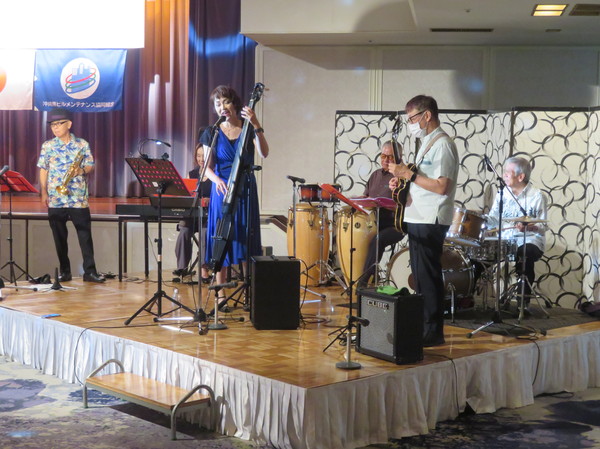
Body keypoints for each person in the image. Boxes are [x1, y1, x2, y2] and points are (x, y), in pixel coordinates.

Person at [388, 95, 459, 347]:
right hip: (418, 217)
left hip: (431, 218)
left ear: (427, 115)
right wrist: (401, 181)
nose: (411, 124)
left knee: (428, 276)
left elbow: (441, 187)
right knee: (419, 275)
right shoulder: (427, 143)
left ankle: (433, 331)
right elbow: (420, 180)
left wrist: (408, 174)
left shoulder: (443, 145)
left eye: (413, 118)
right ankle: (423, 326)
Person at [200, 85, 269, 312]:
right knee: (221, 238)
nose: (222, 107)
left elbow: (264, 153)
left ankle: (251, 294)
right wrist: (217, 180)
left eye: (226, 102)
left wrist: (256, 124)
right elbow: (206, 167)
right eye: (218, 103)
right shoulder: (212, 131)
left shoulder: (248, 127)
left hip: (245, 188)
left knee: (247, 236)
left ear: (235, 104)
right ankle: (220, 295)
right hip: (221, 191)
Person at [37, 108, 105, 283]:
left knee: (85, 236)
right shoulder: (47, 146)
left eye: (59, 124)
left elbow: (90, 165)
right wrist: (43, 192)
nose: (55, 127)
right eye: (52, 125)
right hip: (56, 198)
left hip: (77, 197)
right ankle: (65, 272)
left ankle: (90, 272)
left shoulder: (82, 144)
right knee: (59, 238)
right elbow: (43, 169)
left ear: (69, 124)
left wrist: (80, 170)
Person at [486, 156, 547, 314]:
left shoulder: (537, 196)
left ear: (521, 177)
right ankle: (465, 298)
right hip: (506, 239)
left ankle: (522, 302)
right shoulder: (502, 193)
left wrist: (530, 227)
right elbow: (493, 218)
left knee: (524, 252)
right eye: (504, 172)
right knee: (479, 254)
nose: (504, 175)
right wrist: (480, 221)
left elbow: (543, 226)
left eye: (508, 172)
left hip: (530, 240)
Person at [358, 140, 405, 286]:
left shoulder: (404, 177)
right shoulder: (375, 175)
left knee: (378, 239)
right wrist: (356, 200)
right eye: (383, 156)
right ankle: (362, 275)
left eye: (390, 157)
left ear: (399, 158)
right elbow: (366, 197)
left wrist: (390, 205)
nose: (386, 160)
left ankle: (364, 281)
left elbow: (407, 204)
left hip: (395, 225)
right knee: (356, 235)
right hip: (375, 222)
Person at [173, 144, 212, 282]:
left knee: (205, 233)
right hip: (193, 215)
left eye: (204, 156)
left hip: (209, 216)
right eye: (198, 156)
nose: (201, 159)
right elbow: (186, 195)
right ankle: (182, 268)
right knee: (184, 231)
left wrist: (210, 200)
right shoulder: (192, 174)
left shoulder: (216, 175)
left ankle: (204, 269)